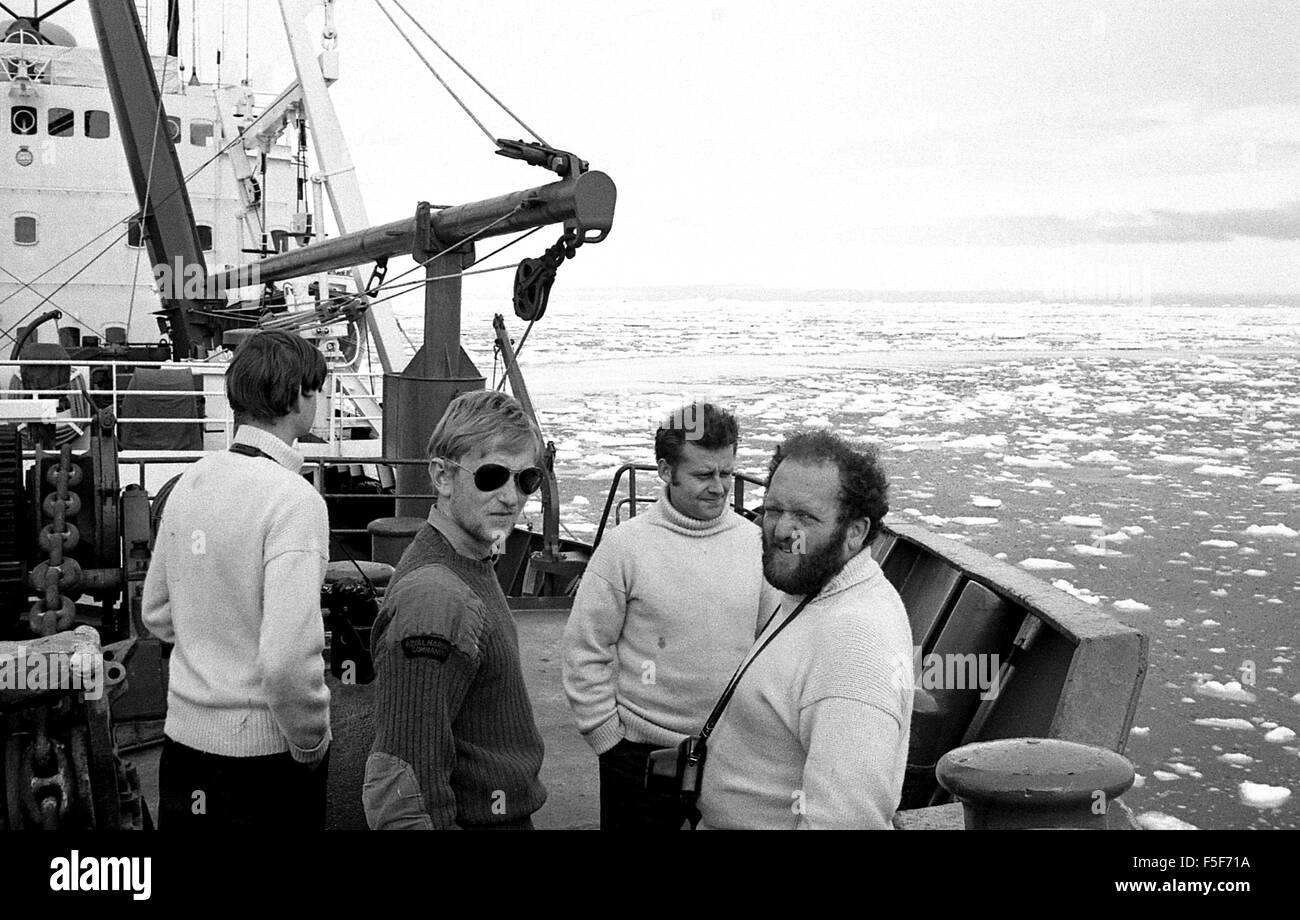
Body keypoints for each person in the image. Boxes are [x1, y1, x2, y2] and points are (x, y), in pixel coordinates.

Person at [142, 329, 332, 829]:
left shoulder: (189, 483)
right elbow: (288, 658)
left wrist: (212, 651)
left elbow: (157, 613)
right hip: (263, 766)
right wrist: (310, 741)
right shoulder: (294, 501)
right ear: (296, 397)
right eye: (316, 389)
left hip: (183, 750)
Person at [562, 402, 774, 830]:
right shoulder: (625, 548)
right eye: (703, 475)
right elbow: (586, 647)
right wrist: (607, 739)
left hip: (732, 760)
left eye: (727, 474)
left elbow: (774, 649)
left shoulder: (757, 546)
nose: (719, 487)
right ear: (665, 471)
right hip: (638, 759)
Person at [697, 430, 914, 830]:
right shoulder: (811, 590)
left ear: (855, 532)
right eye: (774, 510)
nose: (781, 530)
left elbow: (846, 820)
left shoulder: (855, 645)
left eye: (805, 517)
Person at [364, 390, 548, 829]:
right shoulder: (435, 598)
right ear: (443, 476)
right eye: (492, 476)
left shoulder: (471, 563)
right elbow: (405, 785)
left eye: (526, 480)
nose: (511, 497)